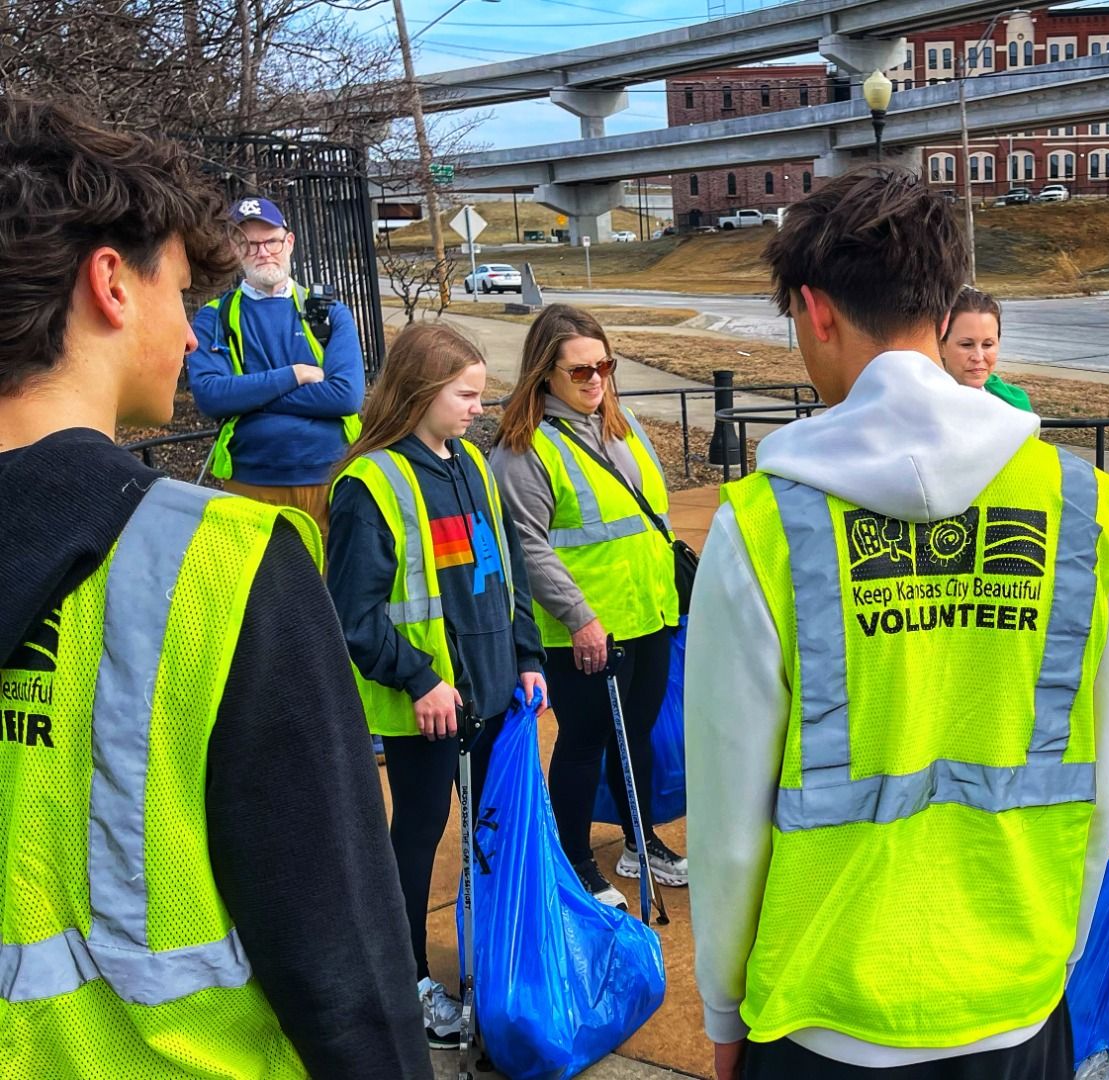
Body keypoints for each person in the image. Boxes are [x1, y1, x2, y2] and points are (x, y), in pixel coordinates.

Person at [0, 98, 430, 1077]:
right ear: (110, 281)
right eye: (181, 290)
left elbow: (333, 392)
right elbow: (346, 967)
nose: (194, 337)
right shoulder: (223, 567)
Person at [685, 167, 1109, 1080]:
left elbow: (729, 824)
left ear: (814, 310)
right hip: (1014, 995)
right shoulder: (1084, 509)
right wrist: (1060, 953)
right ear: (942, 307)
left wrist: (724, 1009)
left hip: (825, 1008)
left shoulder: (765, 525)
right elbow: (1098, 781)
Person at [325, 322, 546, 1050]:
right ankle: (409, 975)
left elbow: (504, 573)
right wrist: (420, 679)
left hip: (491, 692)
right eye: (466, 394)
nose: (480, 408)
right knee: (418, 836)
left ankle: (499, 963)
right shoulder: (371, 483)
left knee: (491, 834)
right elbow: (353, 617)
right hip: (425, 709)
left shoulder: (472, 465)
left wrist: (526, 656)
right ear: (421, 392)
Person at [491, 304, 689, 907]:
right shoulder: (524, 449)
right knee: (584, 741)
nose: (596, 378)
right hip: (587, 629)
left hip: (650, 613)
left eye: (603, 364)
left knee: (638, 733)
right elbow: (528, 545)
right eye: (579, 371)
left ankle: (639, 838)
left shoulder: (621, 422)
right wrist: (580, 618)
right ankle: (576, 859)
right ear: (544, 373)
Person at [186, 195, 364, 534]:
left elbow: (345, 396)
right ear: (233, 248)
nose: (263, 251)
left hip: (330, 476)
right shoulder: (214, 317)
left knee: (331, 585)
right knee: (260, 586)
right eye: (249, 244)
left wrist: (249, 396)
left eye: (271, 241)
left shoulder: (329, 312)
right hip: (250, 481)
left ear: (289, 242)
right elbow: (211, 396)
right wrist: (294, 375)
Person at [937, 285, 1032, 411]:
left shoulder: (1015, 403)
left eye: (988, 345)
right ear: (941, 346)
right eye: (966, 345)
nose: (978, 357)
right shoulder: (924, 408)